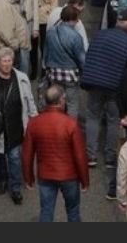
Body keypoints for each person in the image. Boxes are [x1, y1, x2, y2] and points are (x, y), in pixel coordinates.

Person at [81, 9, 127, 198]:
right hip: (115, 86)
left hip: (94, 82)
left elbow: (89, 55)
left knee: (92, 117)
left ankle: (90, 155)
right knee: (113, 120)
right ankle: (109, 157)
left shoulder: (100, 35)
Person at [22, 85, 90, 222]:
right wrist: (85, 180)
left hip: (46, 175)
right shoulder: (71, 124)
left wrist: (28, 178)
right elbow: (80, 156)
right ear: (61, 100)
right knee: (73, 211)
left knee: (46, 211)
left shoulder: (34, 123)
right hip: (69, 176)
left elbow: (27, 155)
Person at [0, 46, 38, 204]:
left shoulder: (22, 78)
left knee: (14, 158)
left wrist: (34, 117)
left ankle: (15, 188)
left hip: (15, 125)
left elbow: (29, 100)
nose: (7, 64)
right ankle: (2, 179)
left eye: (9, 61)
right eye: (3, 61)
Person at [44, 6, 87, 121]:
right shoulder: (76, 36)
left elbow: (46, 53)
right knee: (72, 103)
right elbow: (81, 59)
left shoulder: (50, 33)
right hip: (70, 74)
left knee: (55, 101)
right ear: (74, 19)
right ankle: (70, 127)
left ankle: (56, 124)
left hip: (54, 72)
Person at [26, 0, 59, 79]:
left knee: (45, 46)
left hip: (46, 18)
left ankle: (44, 70)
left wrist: (54, 18)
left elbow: (55, 1)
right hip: (34, 19)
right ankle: (33, 70)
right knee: (32, 47)